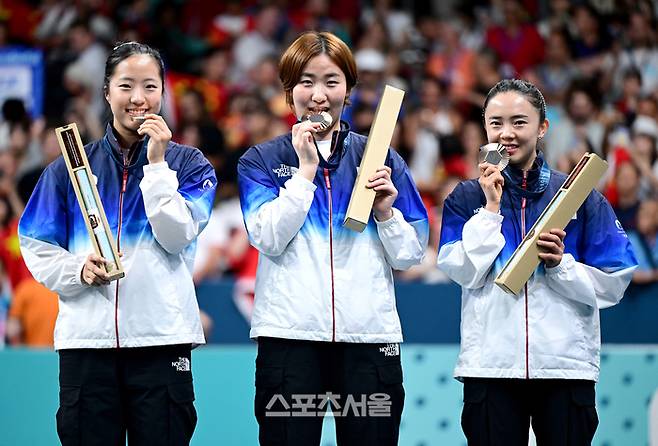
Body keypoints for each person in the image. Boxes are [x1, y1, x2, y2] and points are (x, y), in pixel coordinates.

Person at [18, 42, 217, 446]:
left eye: (150, 86)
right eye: (126, 86)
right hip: (87, 344)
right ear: (107, 91)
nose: (138, 99)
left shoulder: (190, 165)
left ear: (163, 93)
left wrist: (158, 165)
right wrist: (77, 270)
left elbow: (176, 235)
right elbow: (35, 243)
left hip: (161, 342)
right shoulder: (67, 169)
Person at [237, 31, 428, 446]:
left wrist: (386, 213)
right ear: (289, 92)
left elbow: (410, 254)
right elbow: (267, 238)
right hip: (290, 341)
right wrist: (304, 173)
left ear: (350, 90)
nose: (318, 94)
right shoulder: (261, 161)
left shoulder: (381, 158)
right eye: (306, 81)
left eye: (331, 81)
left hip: (369, 341)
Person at [437, 79, 637, 446]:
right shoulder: (467, 198)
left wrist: (562, 265)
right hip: (490, 369)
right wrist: (490, 210)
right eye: (495, 122)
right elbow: (463, 272)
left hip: (564, 369)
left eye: (519, 121)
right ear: (484, 127)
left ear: (542, 127)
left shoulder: (580, 197)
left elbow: (615, 281)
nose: (506, 133)